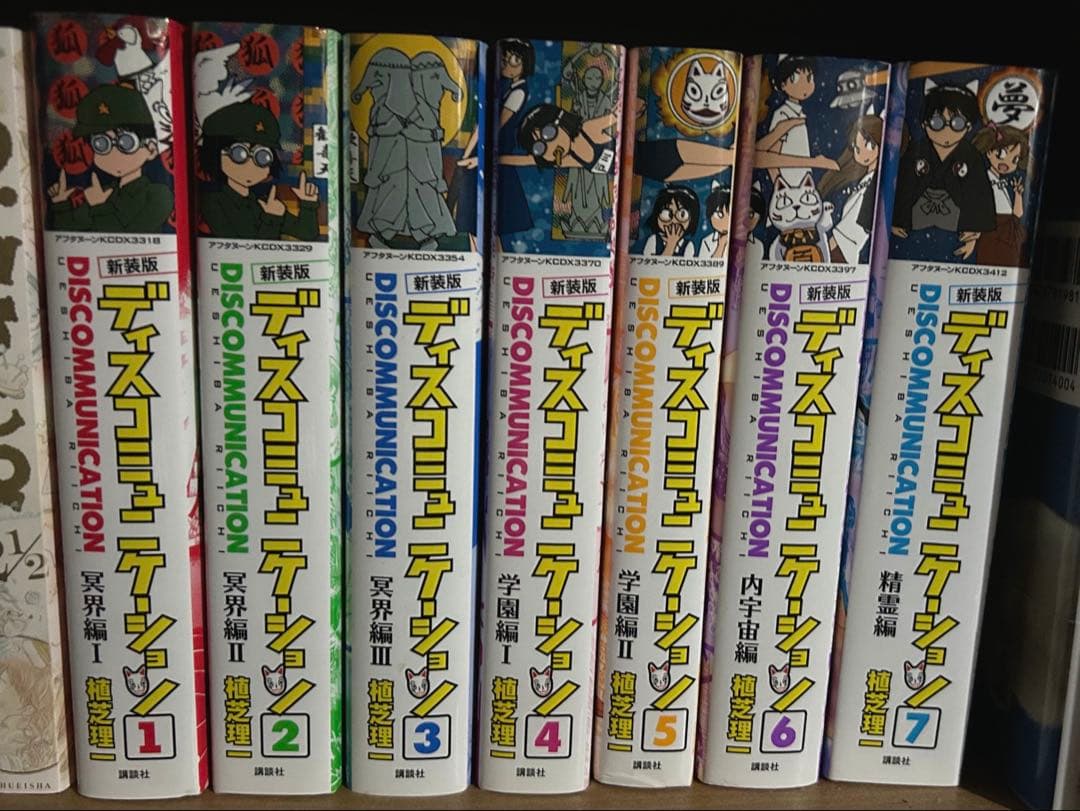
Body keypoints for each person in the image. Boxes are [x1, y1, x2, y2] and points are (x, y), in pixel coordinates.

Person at [48, 84, 173, 233]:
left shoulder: (157, 194)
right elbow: (70, 230)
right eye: (101, 144)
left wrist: (99, 207)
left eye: (126, 142)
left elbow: (132, 232)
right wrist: (61, 204)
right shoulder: (102, 191)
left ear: (151, 149)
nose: (113, 153)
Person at [892, 81, 995, 261]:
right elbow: (902, 187)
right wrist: (895, 220)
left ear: (968, 126)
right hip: (917, 216)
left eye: (957, 123)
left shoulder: (971, 157)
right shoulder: (916, 152)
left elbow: (979, 194)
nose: (946, 131)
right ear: (925, 124)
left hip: (956, 218)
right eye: (937, 122)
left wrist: (974, 230)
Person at [197, 101, 318, 240]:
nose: (250, 165)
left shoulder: (261, 202)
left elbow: (307, 234)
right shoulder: (212, 202)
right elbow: (243, 244)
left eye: (262, 157)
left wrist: (308, 204)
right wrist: (272, 218)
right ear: (215, 153)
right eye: (239, 154)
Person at [820, 113, 882, 264]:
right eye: (857, 148)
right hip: (842, 251)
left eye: (869, 146)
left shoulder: (875, 183)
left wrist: (829, 248)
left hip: (844, 251)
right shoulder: (865, 180)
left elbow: (853, 225)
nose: (861, 153)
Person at [972, 123, 1029, 266]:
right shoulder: (984, 180)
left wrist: (1018, 195)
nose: (1007, 163)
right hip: (991, 233)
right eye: (1001, 154)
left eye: (1014, 160)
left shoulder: (1002, 184)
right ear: (989, 152)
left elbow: (1017, 215)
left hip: (1008, 233)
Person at [642, 185, 699, 257]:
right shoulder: (653, 240)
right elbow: (651, 263)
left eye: (682, 215)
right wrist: (671, 245)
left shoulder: (688, 246)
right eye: (666, 214)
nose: (674, 221)